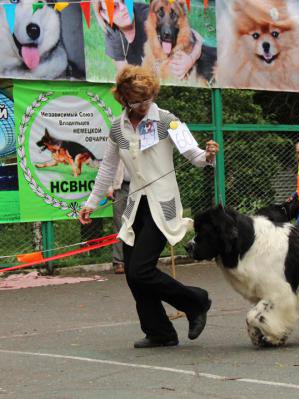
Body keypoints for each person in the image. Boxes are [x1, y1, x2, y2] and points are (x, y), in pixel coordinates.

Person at [78, 65, 219, 348]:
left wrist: (208, 155)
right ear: (124, 100)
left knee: (141, 270)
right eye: (138, 102)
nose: (144, 106)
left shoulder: (167, 120)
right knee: (133, 274)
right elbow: (108, 167)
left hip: (161, 204)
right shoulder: (117, 128)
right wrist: (91, 203)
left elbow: (193, 153)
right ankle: (160, 332)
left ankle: (196, 301)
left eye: (148, 99)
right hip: (134, 206)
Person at [92, 0, 202, 78]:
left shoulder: (148, 16)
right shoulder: (112, 35)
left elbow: (195, 36)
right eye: (114, 7)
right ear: (104, 14)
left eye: (124, 1)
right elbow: (125, 76)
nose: (123, 8)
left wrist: (190, 59)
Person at [108, 160, 130, 274]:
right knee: (119, 224)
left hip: (142, 187)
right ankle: (118, 261)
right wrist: (109, 187)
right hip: (120, 187)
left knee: (141, 222)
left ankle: (138, 261)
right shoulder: (116, 142)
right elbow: (108, 165)